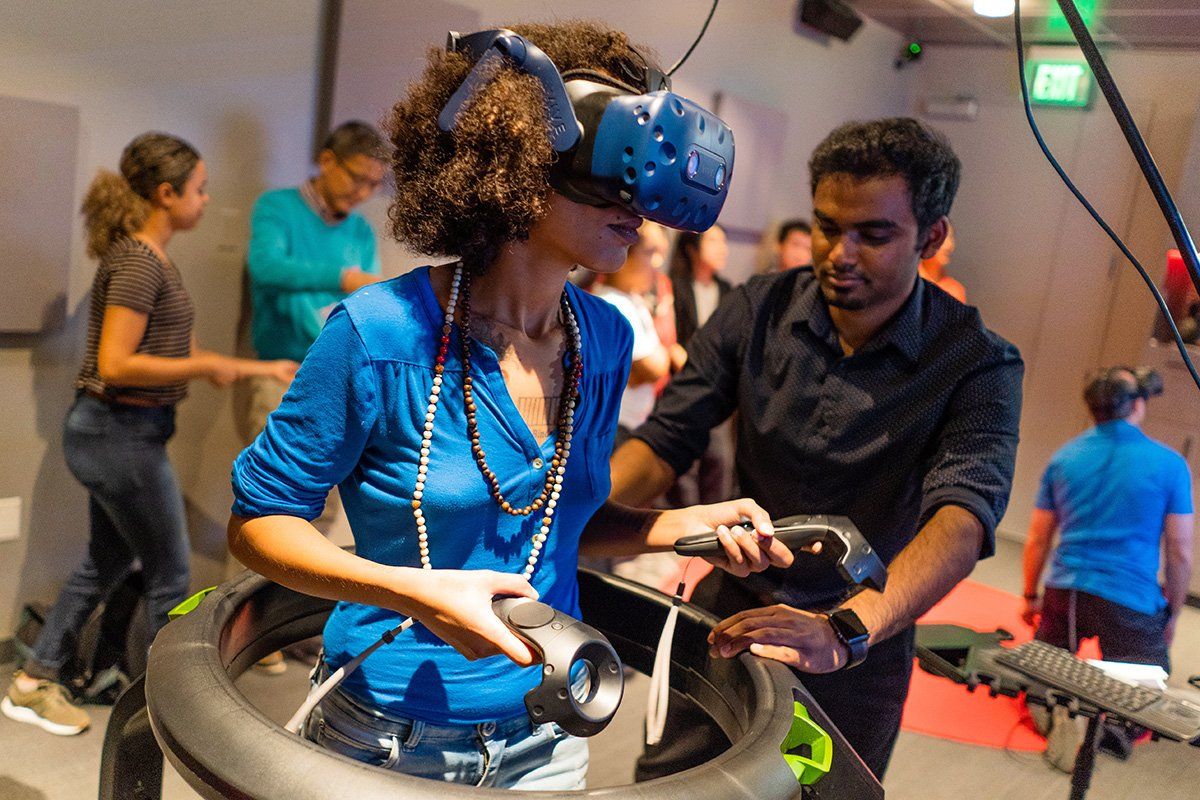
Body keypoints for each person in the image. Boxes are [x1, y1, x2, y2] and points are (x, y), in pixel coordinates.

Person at [226, 22, 791, 791]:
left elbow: (556, 527)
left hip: (549, 730)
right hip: (387, 734)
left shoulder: (604, 341)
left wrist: (678, 526)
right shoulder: (379, 335)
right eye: (617, 165)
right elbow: (258, 523)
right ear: (523, 163)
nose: (642, 206)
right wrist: (406, 590)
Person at [611, 117, 1024, 779]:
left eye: (874, 235)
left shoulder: (976, 361)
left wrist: (848, 628)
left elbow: (964, 517)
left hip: (862, 633)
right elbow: (666, 439)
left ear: (933, 235)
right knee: (676, 788)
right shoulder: (759, 308)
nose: (841, 253)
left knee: (819, 795)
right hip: (734, 613)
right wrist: (566, 516)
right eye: (829, 226)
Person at [2, 133, 297, 736]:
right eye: (200, 189)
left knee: (100, 564)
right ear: (167, 194)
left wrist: (251, 367)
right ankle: (172, 713)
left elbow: (172, 351)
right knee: (171, 575)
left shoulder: (150, 257)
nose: (207, 200)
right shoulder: (139, 261)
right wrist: (203, 366)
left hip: (123, 434)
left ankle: (32, 680)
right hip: (118, 436)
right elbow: (115, 364)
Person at [1022, 366, 1192, 676]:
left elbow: (1038, 538)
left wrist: (1031, 597)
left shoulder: (1064, 458)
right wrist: (1172, 615)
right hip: (1131, 601)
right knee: (1143, 701)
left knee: (1041, 681)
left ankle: (1052, 706)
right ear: (1138, 404)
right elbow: (1179, 552)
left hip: (1066, 595)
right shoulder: (1171, 465)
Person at [667, 224, 735, 506]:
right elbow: (672, 337)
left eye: (724, 242)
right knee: (686, 462)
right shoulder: (675, 286)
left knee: (720, 459)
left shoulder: (728, 290)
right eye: (714, 241)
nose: (723, 249)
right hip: (681, 383)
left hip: (717, 386)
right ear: (692, 249)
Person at [917, 220, 966, 303]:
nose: (949, 246)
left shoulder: (954, 290)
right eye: (944, 239)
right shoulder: (909, 285)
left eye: (951, 238)